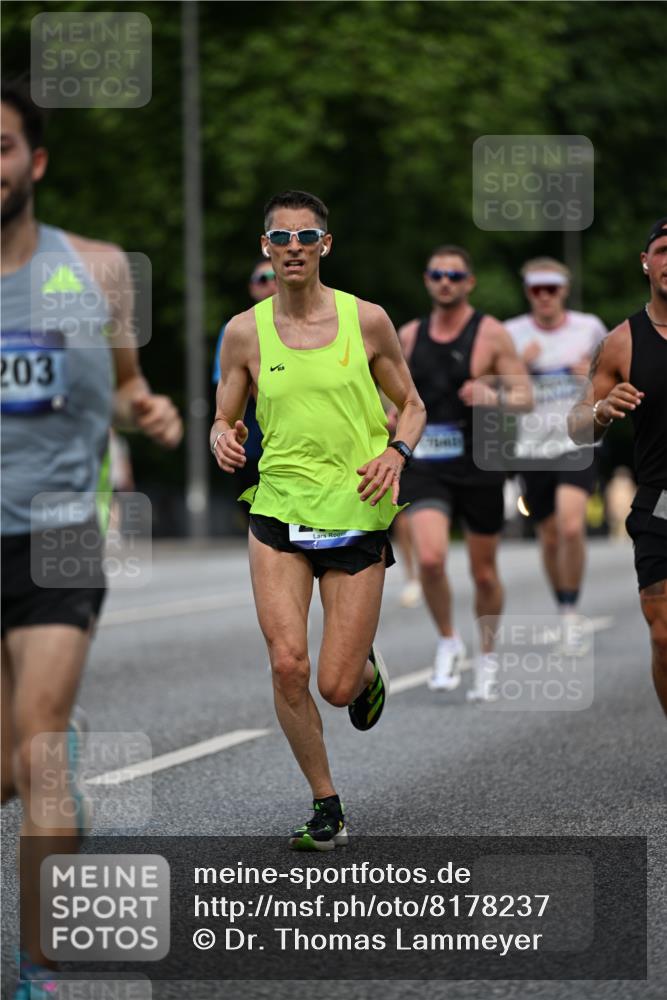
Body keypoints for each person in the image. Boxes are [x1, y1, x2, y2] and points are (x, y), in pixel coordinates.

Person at [0, 81, 183, 998]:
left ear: (34, 162)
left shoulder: (98, 270)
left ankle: (43, 971)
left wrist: (142, 409)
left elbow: (121, 384)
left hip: (61, 530)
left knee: (35, 747)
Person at [211, 189, 425, 850]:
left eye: (306, 238)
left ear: (325, 246)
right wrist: (220, 434)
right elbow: (225, 411)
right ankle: (325, 803)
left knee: (334, 685)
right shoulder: (245, 331)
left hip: (356, 510)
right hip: (277, 508)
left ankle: (362, 671)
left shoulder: (367, 322)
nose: (294, 249)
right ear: (265, 248)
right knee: (286, 663)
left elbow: (411, 405)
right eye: (281, 238)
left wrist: (397, 452)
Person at [397, 245, 531, 700]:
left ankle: (488, 657)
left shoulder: (490, 334)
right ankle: (449, 640)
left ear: (469, 282)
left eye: (455, 275)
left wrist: (492, 393)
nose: (446, 282)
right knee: (431, 559)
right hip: (427, 462)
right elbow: (383, 396)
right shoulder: (410, 336)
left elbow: (525, 396)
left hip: (479, 461)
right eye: (437, 274)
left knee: (484, 573)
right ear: (427, 279)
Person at [568, 218, 667, 713]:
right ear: (646, 262)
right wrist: (602, 413)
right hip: (659, 501)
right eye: (664, 250)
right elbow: (577, 425)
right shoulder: (622, 341)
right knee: (665, 636)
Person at [505, 258, 607, 653]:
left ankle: (571, 615)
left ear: (564, 290)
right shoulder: (512, 334)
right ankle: (563, 605)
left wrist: (592, 374)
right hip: (532, 448)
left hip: (577, 442)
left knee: (570, 527)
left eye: (552, 288)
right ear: (528, 291)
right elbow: (492, 393)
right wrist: (520, 367)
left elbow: (614, 378)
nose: (545, 296)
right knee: (548, 539)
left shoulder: (590, 327)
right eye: (536, 289)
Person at [211, 259, 277, 503]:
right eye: (262, 279)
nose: (270, 284)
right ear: (252, 288)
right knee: (257, 517)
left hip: (299, 445)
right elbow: (229, 390)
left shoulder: (309, 327)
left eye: (275, 277)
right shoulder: (235, 331)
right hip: (251, 446)